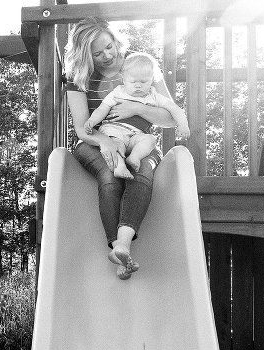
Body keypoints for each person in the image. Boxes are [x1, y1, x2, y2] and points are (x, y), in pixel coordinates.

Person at [64, 17, 177, 280]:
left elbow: (169, 119)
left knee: (142, 171)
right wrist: (106, 142)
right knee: (111, 175)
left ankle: (122, 247)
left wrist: (137, 108)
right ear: (85, 55)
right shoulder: (78, 76)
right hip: (94, 141)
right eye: (97, 53)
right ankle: (118, 247)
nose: (107, 55)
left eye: (109, 46)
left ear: (115, 39)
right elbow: (82, 129)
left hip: (139, 139)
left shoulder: (139, 66)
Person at [84, 52, 190, 180]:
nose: (138, 85)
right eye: (133, 81)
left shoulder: (154, 96)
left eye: (144, 82)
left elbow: (175, 109)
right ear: (124, 79)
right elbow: (103, 108)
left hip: (136, 135)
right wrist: (91, 121)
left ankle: (134, 157)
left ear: (152, 80)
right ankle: (120, 166)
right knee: (115, 144)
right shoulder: (119, 92)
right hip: (115, 130)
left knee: (150, 139)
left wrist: (183, 125)